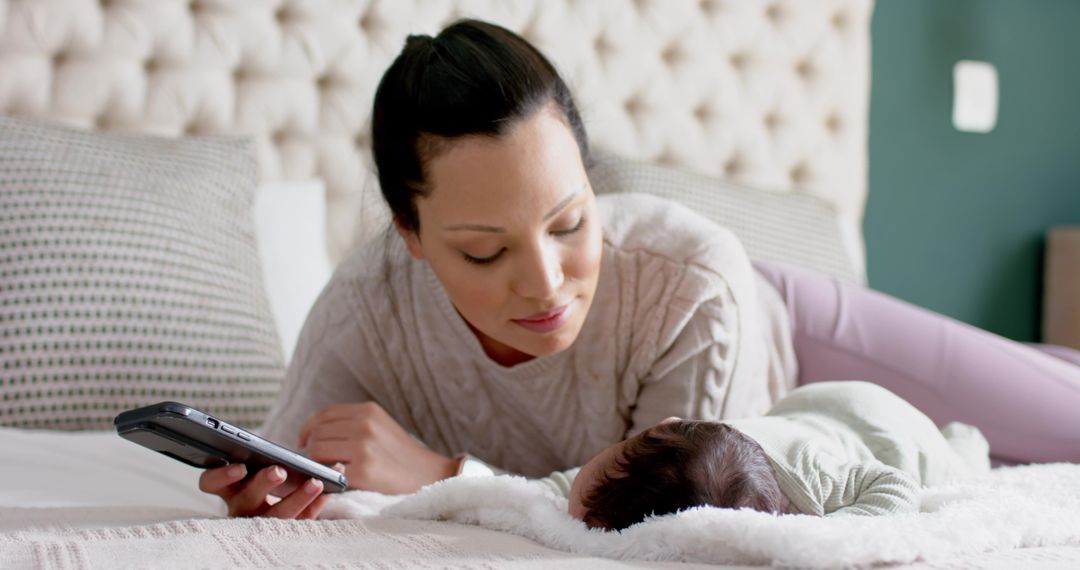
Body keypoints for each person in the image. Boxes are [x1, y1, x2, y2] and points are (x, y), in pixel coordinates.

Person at [196, 18, 1080, 520]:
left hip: (793, 343)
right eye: (483, 250)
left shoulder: (684, 281)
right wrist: (271, 493)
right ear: (409, 234)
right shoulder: (367, 312)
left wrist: (441, 477)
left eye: (569, 222)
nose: (542, 284)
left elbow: (676, 529)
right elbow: (293, 471)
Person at [562, 381, 991, 530]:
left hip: (890, 432)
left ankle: (964, 438)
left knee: (960, 471)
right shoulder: (709, 448)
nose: (572, 506)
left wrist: (832, 530)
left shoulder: (814, 478)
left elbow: (895, 483)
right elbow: (586, 480)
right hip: (814, 406)